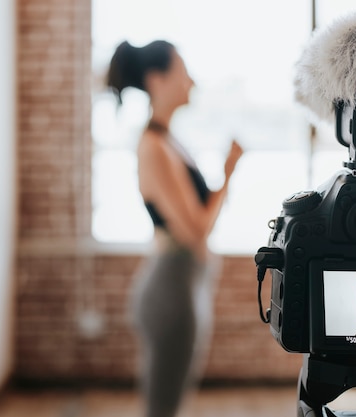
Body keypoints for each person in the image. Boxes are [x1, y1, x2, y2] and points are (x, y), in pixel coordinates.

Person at [106, 40, 244, 417]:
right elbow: (195, 230)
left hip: (184, 285)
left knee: (169, 403)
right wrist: (229, 173)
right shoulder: (153, 146)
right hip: (170, 290)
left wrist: (224, 176)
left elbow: (198, 216)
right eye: (183, 71)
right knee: (162, 408)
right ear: (157, 79)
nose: (191, 82)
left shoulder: (168, 139)